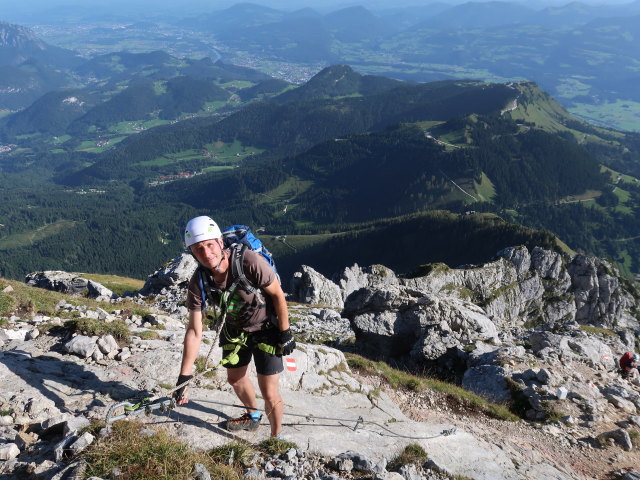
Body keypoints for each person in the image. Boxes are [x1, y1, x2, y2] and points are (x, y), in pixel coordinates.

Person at [174, 216, 295, 438]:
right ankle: (253, 416)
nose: (206, 253)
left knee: (269, 391)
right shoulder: (199, 280)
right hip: (234, 330)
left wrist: (285, 332)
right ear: (192, 252)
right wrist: (184, 377)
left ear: (220, 242)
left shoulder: (249, 261)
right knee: (235, 379)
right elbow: (194, 330)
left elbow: (277, 294)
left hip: (266, 329)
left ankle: (275, 439)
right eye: (198, 249)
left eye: (210, 244)